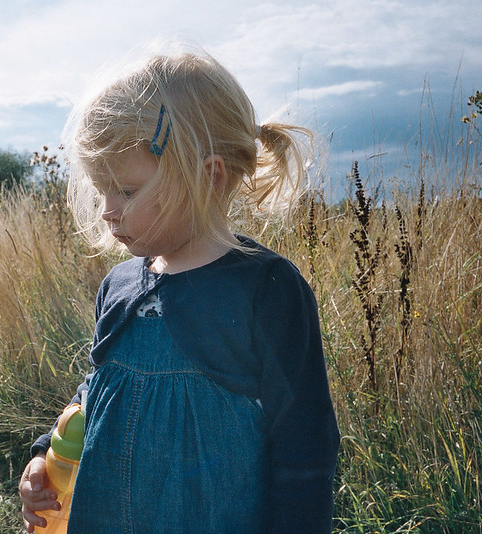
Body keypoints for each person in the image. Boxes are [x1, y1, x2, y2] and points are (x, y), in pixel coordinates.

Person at [19, 42, 340, 533]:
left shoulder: (266, 289)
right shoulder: (120, 285)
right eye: (101, 188)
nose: (107, 209)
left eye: (125, 190)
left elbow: (305, 441)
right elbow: (97, 392)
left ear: (207, 176)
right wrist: (47, 454)